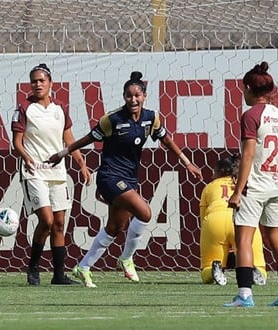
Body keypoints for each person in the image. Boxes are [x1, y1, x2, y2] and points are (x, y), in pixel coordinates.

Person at [47, 71, 202, 288]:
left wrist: (187, 162)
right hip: (109, 177)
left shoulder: (151, 118)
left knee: (114, 227)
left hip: (129, 178)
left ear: (144, 96)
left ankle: (83, 267)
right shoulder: (112, 120)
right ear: (124, 97)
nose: (133, 100)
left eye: (137, 95)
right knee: (145, 212)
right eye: (129, 96)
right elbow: (87, 139)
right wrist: (63, 154)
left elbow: (166, 140)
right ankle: (127, 258)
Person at [11, 63, 91, 285]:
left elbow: (69, 140)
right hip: (34, 171)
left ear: (50, 83)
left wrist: (81, 164)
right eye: (34, 81)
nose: (38, 84)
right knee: (45, 220)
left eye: (41, 80)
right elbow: (16, 142)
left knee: (59, 224)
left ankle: (58, 276)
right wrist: (26, 157)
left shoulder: (59, 109)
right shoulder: (24, 108)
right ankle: (33, 268)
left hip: (57, 172)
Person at [224, 62, 278, 308]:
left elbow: (248, 155)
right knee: (277, 238)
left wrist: (238, 190)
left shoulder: (251, 115)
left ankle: (245, 295)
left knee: (243, 239)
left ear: (249, 88)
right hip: (276, 185)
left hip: (254, 186)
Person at [199, 154, 267, 286]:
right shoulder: (246, 184)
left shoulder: (209, 187)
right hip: (242, 220)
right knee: (258, 264)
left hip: (215, 221)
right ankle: (255, 270)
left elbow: (203, 217)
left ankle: (214, 270)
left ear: (219, 172)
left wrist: (208, 232)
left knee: (207, 268)